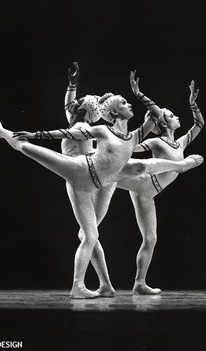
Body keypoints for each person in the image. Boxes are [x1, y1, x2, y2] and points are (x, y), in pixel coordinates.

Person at [0, 70, 204, 299]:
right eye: (123, 103)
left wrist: (137, 96)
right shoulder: (90, 128)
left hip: (100, 182)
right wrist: (34, 134)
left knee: (91, 234)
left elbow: (153, 116)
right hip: (81, 171)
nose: (75, 107)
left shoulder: (129, 134)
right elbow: (69, 118)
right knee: (27, 148)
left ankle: (103, 286)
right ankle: (5, 133)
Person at [117, 80, 205, 295]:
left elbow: (199, 125)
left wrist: (193, 104)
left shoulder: (181, 143)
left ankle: (139, 283)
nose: (176, 117)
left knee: (151, 239)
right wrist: (140, 95)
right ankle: (90, 161)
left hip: (148, 195)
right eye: (172, 116)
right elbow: (134, 148)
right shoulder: (157, 142)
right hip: (143, 182)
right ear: (164, 123)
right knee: (109, 175)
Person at [62, 62, 116, 297]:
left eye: (78, 101)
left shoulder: (84, 126)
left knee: (89, 234)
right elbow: (68, 103)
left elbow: (75, 107)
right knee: (88, 234)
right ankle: (105, 285)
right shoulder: (76, 123)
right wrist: (73, 83)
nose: (73, 102)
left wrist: (104, 102)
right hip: (88, 182)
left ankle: (78, 286)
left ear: (83, 110)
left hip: (92, 184)